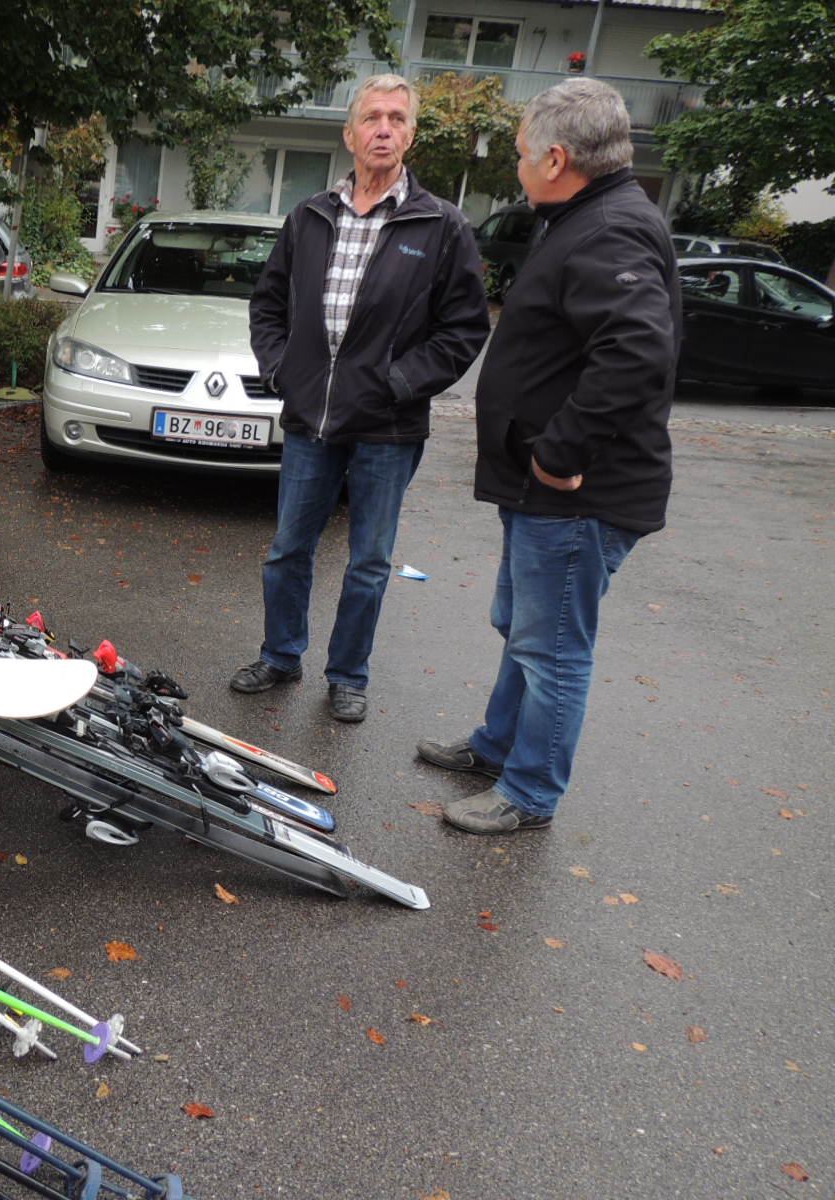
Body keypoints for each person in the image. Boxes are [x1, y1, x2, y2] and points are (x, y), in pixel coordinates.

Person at [417, 78, 680, 833]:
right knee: (525, 628)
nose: (519, 166)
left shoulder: (609, 228)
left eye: (522, 154)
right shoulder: (588, 217)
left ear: (558, 158)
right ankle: (498, 747)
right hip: (547, 488)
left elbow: (636, 351)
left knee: (552, 648)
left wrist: (559, 455)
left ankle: (530, 792)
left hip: (576, 493)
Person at [236, 74, 490, 723]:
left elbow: (464, 329)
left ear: (411, 135)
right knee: (289, 550)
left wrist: (398, 383)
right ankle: (280, 654)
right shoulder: (310, 216)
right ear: (350, 135)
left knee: (369, 562)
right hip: (310, 419)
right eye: (373, 117)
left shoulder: (440, 224)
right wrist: (281, 370)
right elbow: (268, 303)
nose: (384, 129)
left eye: (397, 119)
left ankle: (348, 674)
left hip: (388, 425)